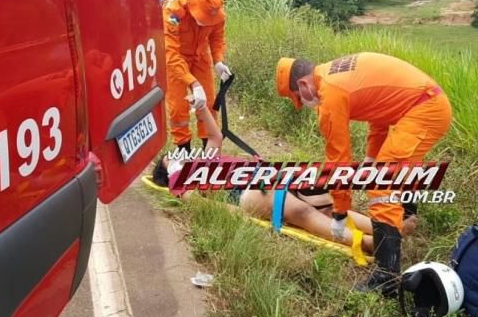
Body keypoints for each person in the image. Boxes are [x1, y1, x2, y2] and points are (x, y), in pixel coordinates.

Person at [275, 53, 453, 297]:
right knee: (395, 171)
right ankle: (405, 222)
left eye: (297, 97)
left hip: (424, 110)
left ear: (304, 85)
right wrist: (371, 157)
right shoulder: (334, 73)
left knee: (381, 186)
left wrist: (339, 213)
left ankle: (387, 276)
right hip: (424, 104)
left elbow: (338, 162)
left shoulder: (331, 95)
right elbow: (379, 111)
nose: (302, 103)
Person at [157, 98, 377, 253]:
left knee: (327, 203)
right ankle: (366, 242)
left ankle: (383, 229)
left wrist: (202, 108)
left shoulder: (204, 162)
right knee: (303, 211)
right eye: (172, 159)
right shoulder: (179, 179)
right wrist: (232, 212)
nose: (178, 157)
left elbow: (214, 137)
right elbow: (191, 198)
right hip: (243, 192)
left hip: (266, 175)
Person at [159, 0, 232, 153]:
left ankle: (209, 148)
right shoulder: (173, 12)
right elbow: (170, 53)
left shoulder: (217, 13)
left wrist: (218, 61)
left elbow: (217, 39)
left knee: (209, 103)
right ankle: (183, 150)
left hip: (200, 57)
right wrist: (193, 84)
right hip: (177, 60)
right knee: (178, 107)